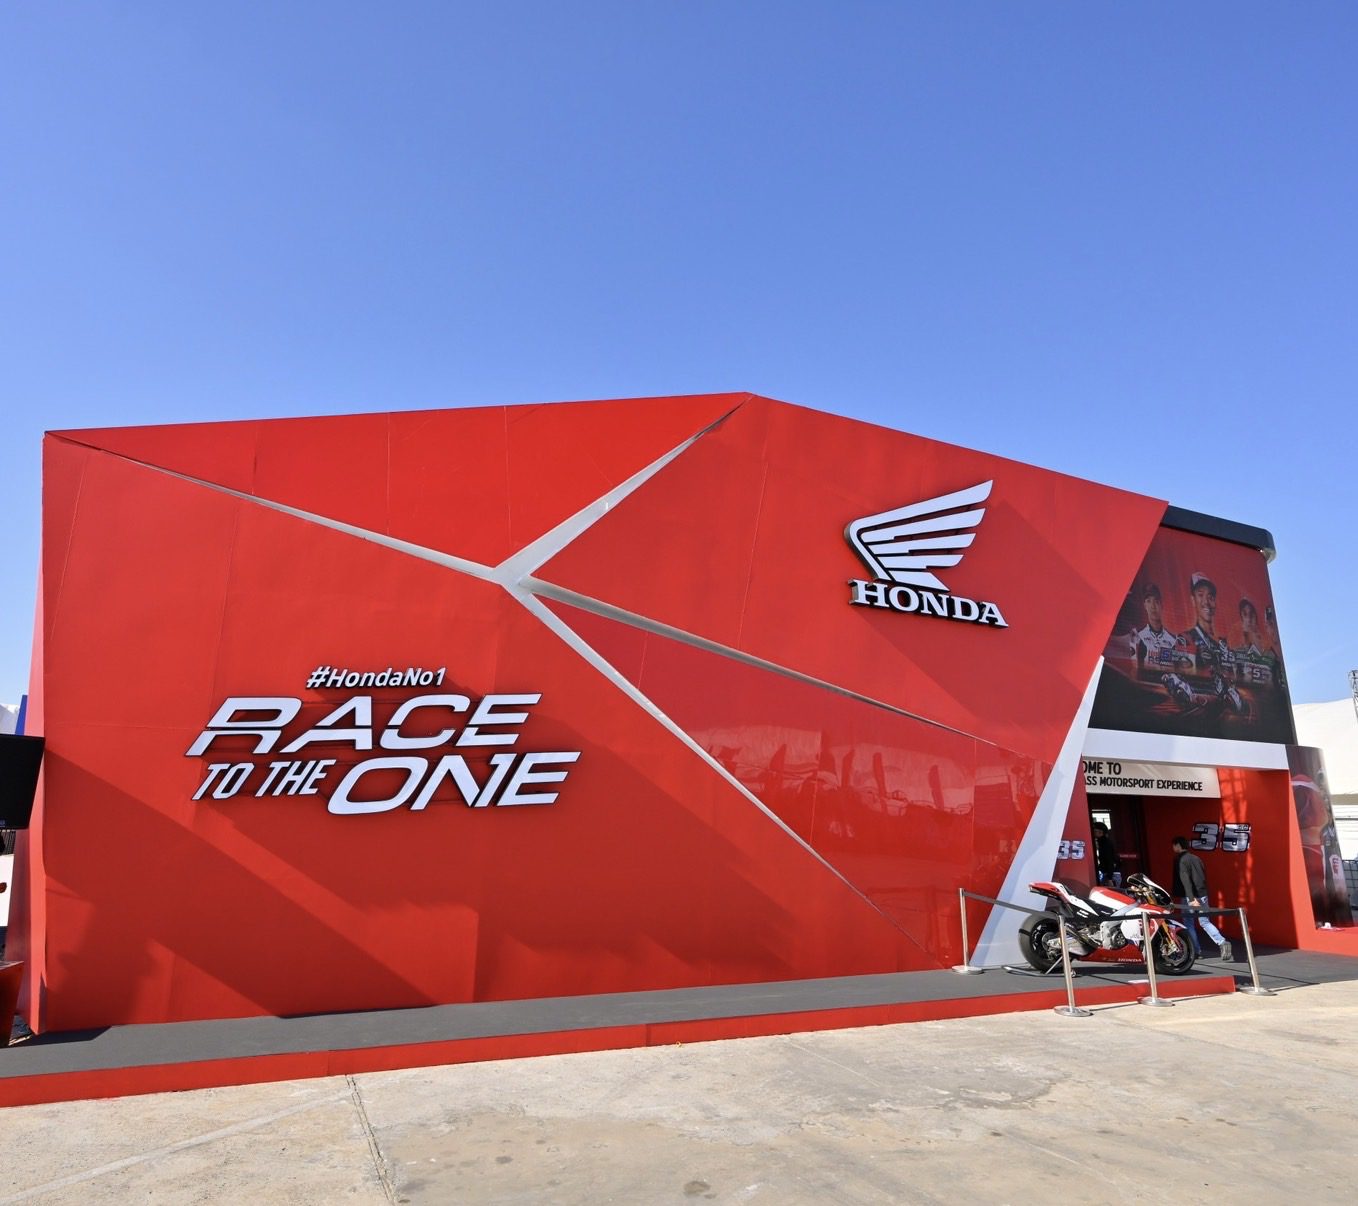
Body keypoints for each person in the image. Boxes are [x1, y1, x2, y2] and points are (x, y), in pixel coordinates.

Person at [1171, 836, 1232, 959]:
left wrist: (1191, 898)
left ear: (1178, 845)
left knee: (1189, 923)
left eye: (1173, 845)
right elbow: (1202, 877)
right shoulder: (1196, 858)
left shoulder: (1181, 860)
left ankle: (1196, 951)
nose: (1173, 848)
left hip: (1189, 897)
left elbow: (1185, 880)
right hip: (1202, 894)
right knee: (1205, 922)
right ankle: (1222, 941)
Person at [1128, 582, 1177, 673]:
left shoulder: (1173, 639)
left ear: (1161, 605)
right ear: (1145, 605)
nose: (1153, 606)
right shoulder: (1137, 634)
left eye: (1156, 601)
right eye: (1148, 601)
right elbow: (1134, 668)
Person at [1092, 822, 1121, 887]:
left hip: (1111, 875)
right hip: (1107, 874)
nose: (1092, 833)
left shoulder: (1105, 844)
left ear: (1100, 832)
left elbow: (1109, 860)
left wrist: (1110, 878)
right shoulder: (1100, 842)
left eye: (1094, 831)